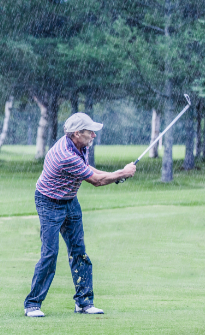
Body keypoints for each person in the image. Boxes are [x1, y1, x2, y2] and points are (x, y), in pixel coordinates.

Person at [24, 112, 136, 317]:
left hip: (70, 201)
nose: (93, 136)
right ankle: (32, 304)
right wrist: (122, 173)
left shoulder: (77, 145)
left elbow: (88, 170)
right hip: (49, 202)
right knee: (50, 254)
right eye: (90, 132)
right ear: (77, 133)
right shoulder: (65, 155)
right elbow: (96, 181)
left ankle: (84, 302)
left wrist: (118, 174)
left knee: (79, 251)